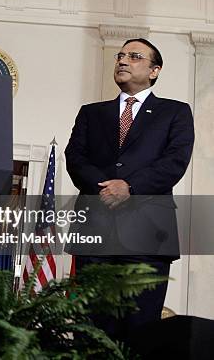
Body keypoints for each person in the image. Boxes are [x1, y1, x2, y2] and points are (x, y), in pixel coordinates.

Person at [65, 38, 194, 340]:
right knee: (91, 331)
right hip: (95, 233)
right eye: (120, 56)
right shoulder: (91, 113)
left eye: (134, 56)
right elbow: (76, 158)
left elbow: (174, 162)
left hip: (148, 238)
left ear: (154, 70)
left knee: (139, 334)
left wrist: (130, 186)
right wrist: (106, 190)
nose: (123, 61)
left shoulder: (175, 112)